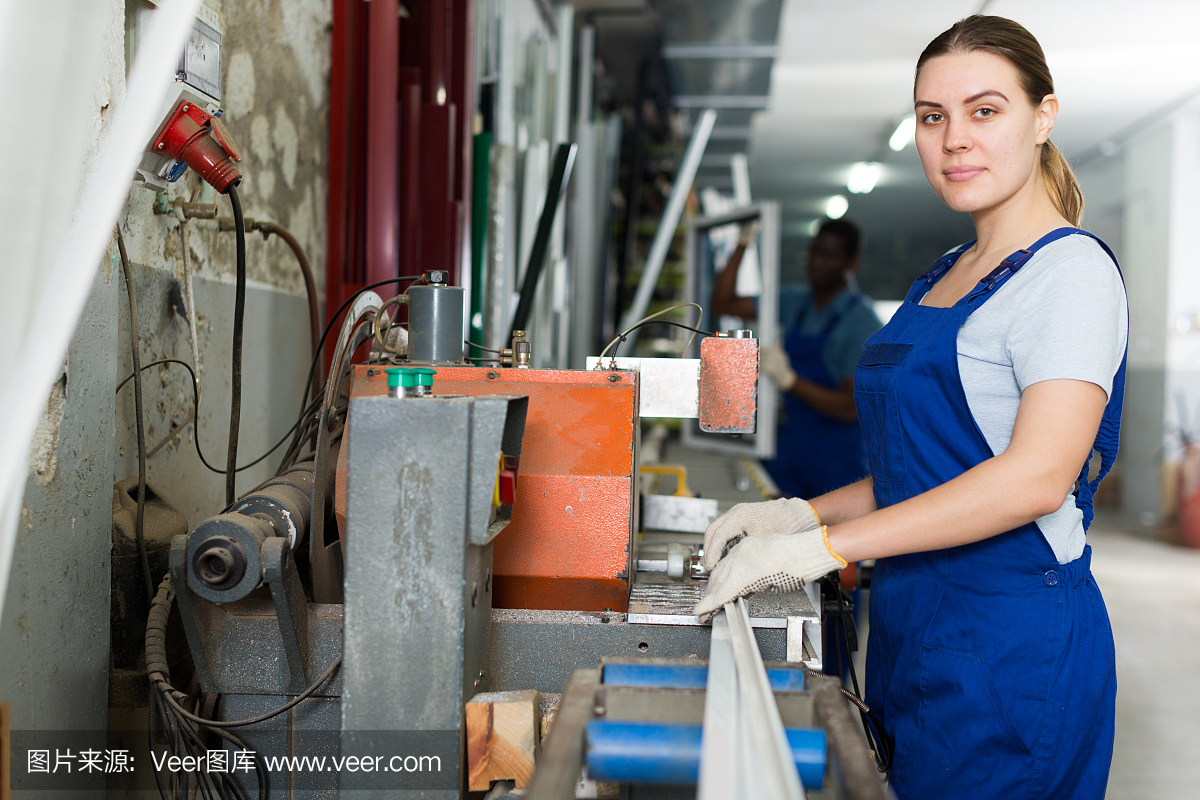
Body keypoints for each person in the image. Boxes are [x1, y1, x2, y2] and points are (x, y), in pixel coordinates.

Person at [697, 15, 1127, 799]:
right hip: (913, 625)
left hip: (1008, 647)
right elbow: (922, 468)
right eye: (933, 117)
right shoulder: (945, 273)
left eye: (984, 110)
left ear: (1044, 117)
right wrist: (796, 516)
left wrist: (827, 548)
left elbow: (1035, 478)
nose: (954, 138)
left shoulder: (1070, 275)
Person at [710, 218, 881, 498]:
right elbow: (722, 302)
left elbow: (851, 406)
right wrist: (743, 243)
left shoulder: (862, 322)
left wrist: (789, 380)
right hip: (789, 451)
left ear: (852, 263)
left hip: (834, 462)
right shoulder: (793, 302)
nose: (816, 262)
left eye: (829, 255)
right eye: (814, 252)